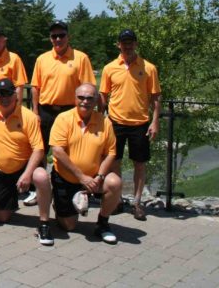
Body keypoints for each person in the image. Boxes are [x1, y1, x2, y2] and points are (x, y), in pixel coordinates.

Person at [0, 79, 53, 246]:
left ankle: (44, 223)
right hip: (2, 171)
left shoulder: (29, 117)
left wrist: (27, 174)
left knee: (41, 176)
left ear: (16, 95)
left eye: (8, 94)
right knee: (1, 218)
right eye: (0, 94)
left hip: (26, 167)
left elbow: (39, 149)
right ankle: (12, 198)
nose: (4, 98)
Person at [28, 20, 95, 206]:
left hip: (69, 112)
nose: (58, 39)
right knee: (40, 150)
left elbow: (87, 87)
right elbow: (35, 87)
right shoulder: (42, 59)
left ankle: (71, 190)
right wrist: (35, 111)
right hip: (46, 110)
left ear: (68, 36)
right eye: (54, 36)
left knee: (70, 151)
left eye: (61, 35)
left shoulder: (80, 58)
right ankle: (39, 189)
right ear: (50, 38)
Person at [100, 29, 161, 221]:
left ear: (136, 44)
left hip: (140, 123)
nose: (127, 46)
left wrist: (155, 121)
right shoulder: (109, 68)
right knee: (114, 162)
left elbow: (155, 97)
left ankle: (137, 202)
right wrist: (101, 119)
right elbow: (103, 95)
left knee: (139, 164)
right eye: (124, 42)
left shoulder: (149, 68)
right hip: (115, 121)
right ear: (118, 45)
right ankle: (117, 199)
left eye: (130, 42)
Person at [50, 83, 122, 244]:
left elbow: (110, 153)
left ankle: (102, 223)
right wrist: (81, 177)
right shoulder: (63, 119)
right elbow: (57, 151)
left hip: (94, 179)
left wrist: (99, 177)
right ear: (75, 99)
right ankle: (59, 206)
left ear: (96, 100)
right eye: (81, 97)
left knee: (114, 182)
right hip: (67, 178)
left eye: (90, 98)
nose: (85, 101)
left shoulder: (105, 122)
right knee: (69, 226)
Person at [0, 26, 27, 108]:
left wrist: (16, 109)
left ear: (5, 41)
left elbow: (19, 86)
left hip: (7, 104)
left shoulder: (14, 58)